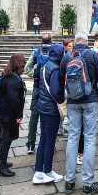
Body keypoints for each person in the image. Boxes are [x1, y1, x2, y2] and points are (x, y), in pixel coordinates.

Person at [59, 32, 98, 195]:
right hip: (91, 100)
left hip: (72, 101)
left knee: (72, 137)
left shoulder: (67, 56)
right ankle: (88, 182)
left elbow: (60, 79)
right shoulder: (92, 55)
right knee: (90, 138)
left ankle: (70, 181)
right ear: (86, 42)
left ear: (74, 42)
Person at [33, 43, 65, 184]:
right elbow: (55, 91)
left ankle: (44, 170)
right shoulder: (55, 69)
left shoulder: (45, 65)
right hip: (51, 110)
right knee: (49, 141)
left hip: (43, 107)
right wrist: (63, 97)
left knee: (44, 140)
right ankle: (41, 172)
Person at [0, 54, 27, 177]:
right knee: (6, 140)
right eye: (23, 64)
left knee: (2, 138)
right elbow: (14, 100)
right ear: (19, 65)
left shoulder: (6, 74)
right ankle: (1, 167)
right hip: (8, 115)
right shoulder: (14, 79)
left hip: (2, 112)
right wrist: (18, 115)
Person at [25, 33, 52, 154]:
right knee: (48, 117)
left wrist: (35, 75)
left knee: (34, 117)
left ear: (41, 41)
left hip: (37, 87)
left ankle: (30, 144)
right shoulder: (54, 51)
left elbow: (27, 68)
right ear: (51, 40)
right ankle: (47, 143)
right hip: (50, 88)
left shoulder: (36, 52)